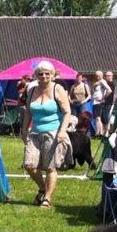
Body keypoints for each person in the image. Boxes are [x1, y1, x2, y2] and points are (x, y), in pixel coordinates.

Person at [21, 60, 71, 208]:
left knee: (50, 167)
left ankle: (47, 198)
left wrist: (62, 131)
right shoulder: (31, 90)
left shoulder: (58, 89)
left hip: (53, 132)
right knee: (29, 165)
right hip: (35, 132)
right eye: (40, 74)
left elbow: (67, 112)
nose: (43, 76)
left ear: (52, 75)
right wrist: (24, 130)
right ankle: (43, 188)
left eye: (47, 73)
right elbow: (28, 112)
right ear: (36, 75)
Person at [91, 70, 113, 137]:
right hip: (95, 102)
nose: (97, 77)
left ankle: (98, 134)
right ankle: (99, 133)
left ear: (102, 75)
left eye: (99, 76)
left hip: (98, 102)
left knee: (98, 118)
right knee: (98, 118)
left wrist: (103, 97)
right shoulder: (98, 82)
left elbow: (109, 90)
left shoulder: (102, 81)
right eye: (96, 76)